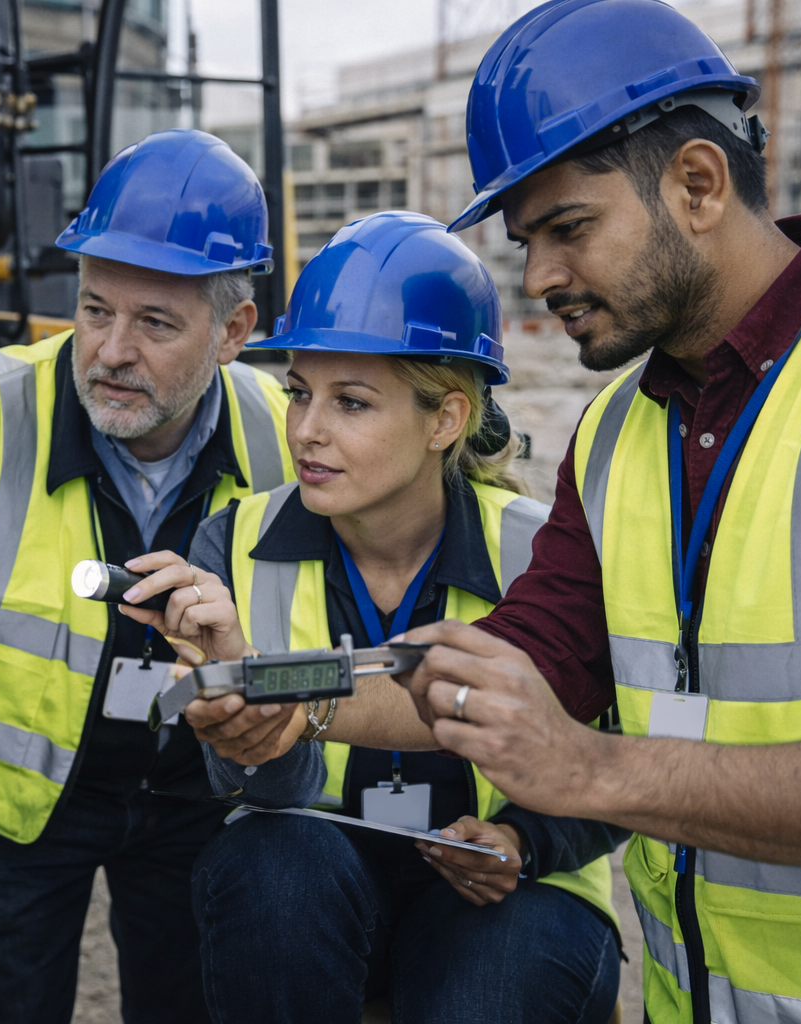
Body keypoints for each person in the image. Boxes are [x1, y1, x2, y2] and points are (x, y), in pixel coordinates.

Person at [355, 2, 801, 1022]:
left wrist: (592, 770)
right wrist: (278, 696)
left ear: (698, 183)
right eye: (526, 241)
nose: (537, 281)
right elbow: (526, 659)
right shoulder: (622, 427)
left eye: (567, 230)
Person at [0, 128, 295, 1024]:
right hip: (2, 813)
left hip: (196, 799)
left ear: (233, 332)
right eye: (96, 308)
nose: (109, 350)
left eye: (153, 323)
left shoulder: (287, 436)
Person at [120, 212, 626, 1024]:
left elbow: (613, 748)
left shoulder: (541, 552)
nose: (307, 431)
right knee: (266, 863)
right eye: (298, 394)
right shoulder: (235, 543)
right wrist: (249, 724)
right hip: (317, 884)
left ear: (446, 420)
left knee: (488, 982)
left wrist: (527, 844)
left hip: (512, 891)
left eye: (351, 403)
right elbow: (248, 790)